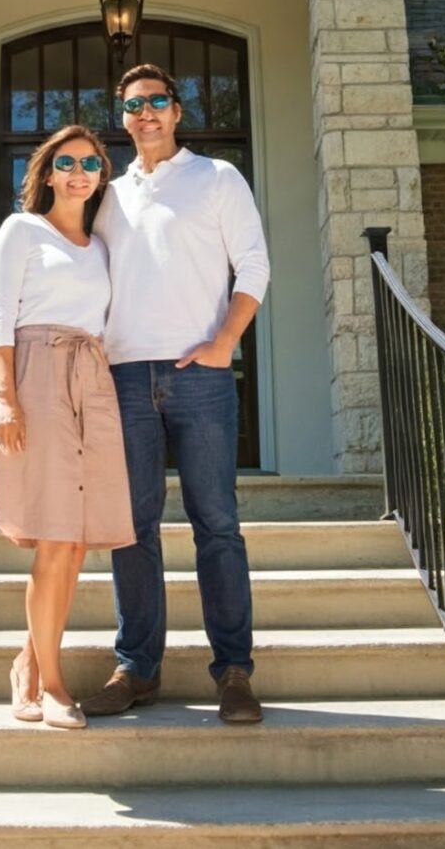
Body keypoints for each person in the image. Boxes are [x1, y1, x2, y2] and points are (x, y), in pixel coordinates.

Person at [77, 62, 272, 726]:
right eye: (133, 105)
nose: (146, 113)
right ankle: (137, 668)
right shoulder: (109, 193)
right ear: (123, 116)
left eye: (157, 101)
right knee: (131, 531)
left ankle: (235, 672)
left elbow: (254, 265)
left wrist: (224, 344)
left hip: (201, 378)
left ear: (178, 110)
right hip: (124, 378)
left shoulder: (217, 178)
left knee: (215, 525)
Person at [0, 124, 133, 729]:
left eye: (92, 163)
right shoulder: (21, 230)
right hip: (38, 373)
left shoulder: (101, 245)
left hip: (92, 376)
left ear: (102, 175)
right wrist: (6, 398)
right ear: (48, 173)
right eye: (67, 162)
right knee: (53, 534)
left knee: (76, 541)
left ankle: (27, 658)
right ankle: (52, 683)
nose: (80, 171)